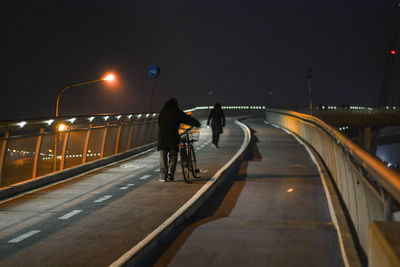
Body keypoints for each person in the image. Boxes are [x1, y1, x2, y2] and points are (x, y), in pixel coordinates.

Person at [157, 98, 201, 182]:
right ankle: (170, 173)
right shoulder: (176, 111)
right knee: (173, 153)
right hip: (172, 135)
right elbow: (187, 119)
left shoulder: (163, 111)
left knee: (163, 154)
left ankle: (163, 176)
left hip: (162, 136)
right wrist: (197, 123)